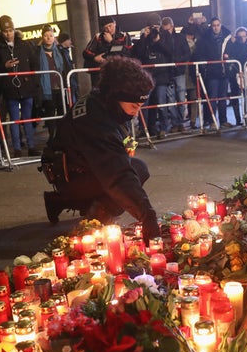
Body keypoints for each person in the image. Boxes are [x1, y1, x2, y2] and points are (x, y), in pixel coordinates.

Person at [41, 56, 160, 244]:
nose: (137, 112)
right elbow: (118, 175)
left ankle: (58, 200)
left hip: (77, 168)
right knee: (135, 171)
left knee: (133, 167)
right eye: (134, 106)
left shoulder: (102, 100)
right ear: (117, 97)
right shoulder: (96, 121)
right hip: (70, 175)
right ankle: (92, 224)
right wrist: (148, 218)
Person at [0, 15, 40, 158]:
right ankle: (17, 148)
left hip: (27, 87)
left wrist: (33, 82)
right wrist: (4, 66)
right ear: (1, 33)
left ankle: (31, 146)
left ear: (14, 30)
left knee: (27, 119)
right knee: (14, 120)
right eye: (5, 31)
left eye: (10, 30)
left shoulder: (25, 45)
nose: (8, 34)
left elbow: (35, 64)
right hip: (10, 89)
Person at [133, 12, 174, 139]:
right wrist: (144, 38)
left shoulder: (165, 35)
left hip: (162, 75)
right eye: (152, 27)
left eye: (157, 26)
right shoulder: (143, 37)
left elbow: (170, 52)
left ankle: (162, 128)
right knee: (146, 105)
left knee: (160, 104)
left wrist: (158, 41)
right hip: (147, 76)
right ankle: (145, 128)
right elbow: (138, 55)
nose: (155, 29)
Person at [197, 17, 232, 128]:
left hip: (224, 71)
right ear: (211, 26)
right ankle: (212, 121)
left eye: (218, 25)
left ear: (221, 25)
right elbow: (201, 55)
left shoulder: (228, 38)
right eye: (214, 25)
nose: (216, 27)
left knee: (222, 98)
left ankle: (223, 121)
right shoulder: (205, 39)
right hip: (212, 73)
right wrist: (205, 69)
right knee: (212, 98)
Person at [38, 24, 69, 150]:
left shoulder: (60, 50)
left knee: (63, 113)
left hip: (60, 87)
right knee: (50, 115)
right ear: (42, 37)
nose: (48, 38)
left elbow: (66, 67)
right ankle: (52, 137)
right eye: (46, 36)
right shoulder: (37, 52)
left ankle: (63, 137)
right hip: (47, 89)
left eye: (51, 35)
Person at [82, 16, 132, 87]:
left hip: (120, 72)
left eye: (110, 26)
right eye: (105, 28)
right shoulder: (98, 37)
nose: (109, 29)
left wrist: (111, 41)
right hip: (101, 73)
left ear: (114, 23)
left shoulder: (125, 36)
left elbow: (128, 53)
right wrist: (94, 58)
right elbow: (85, 53)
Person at [162, 16, 191, 133]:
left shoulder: (180, 38)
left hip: (179, 72)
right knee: (171, 100)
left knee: (180, 98)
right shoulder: (162, 40)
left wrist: (178, 61)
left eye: (168, 29)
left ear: (172, 27)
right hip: (168, 73)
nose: (167, 32)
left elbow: (187, 53)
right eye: (164, 30)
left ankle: (180, 123)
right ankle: (175, 123)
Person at [223, 26, 247, 126]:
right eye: (240, 36)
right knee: (235, 96)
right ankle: (238, 119)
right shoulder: (232, 45)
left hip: (246, 73)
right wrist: (231, 41)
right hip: (234, 73)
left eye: (244, 36)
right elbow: (227, 55)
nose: (242, 38)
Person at [56, 32, 79, 105]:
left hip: (71, 81)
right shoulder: (61, 52)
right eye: (69, 40)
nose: (70, 42)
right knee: (70, 101)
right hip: (67, 80)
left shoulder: (65, 51)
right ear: (64, 41)